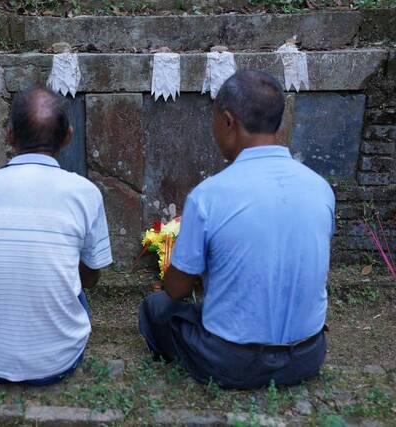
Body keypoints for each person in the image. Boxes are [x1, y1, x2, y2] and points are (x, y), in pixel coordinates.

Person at [139, 70, 335, 389]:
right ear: (278, 122)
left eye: (215, 122)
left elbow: (176, 289)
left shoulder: (210, 195)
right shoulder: (320, 188)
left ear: (228, 122)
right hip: (308, 356)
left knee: (157, 307)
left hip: (229, 361)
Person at [0, 88, 112, 385]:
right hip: (58, 360)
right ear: (68, 136)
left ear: (9, 135)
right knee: (76, 291)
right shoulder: (86, 193)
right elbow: (90, 276)